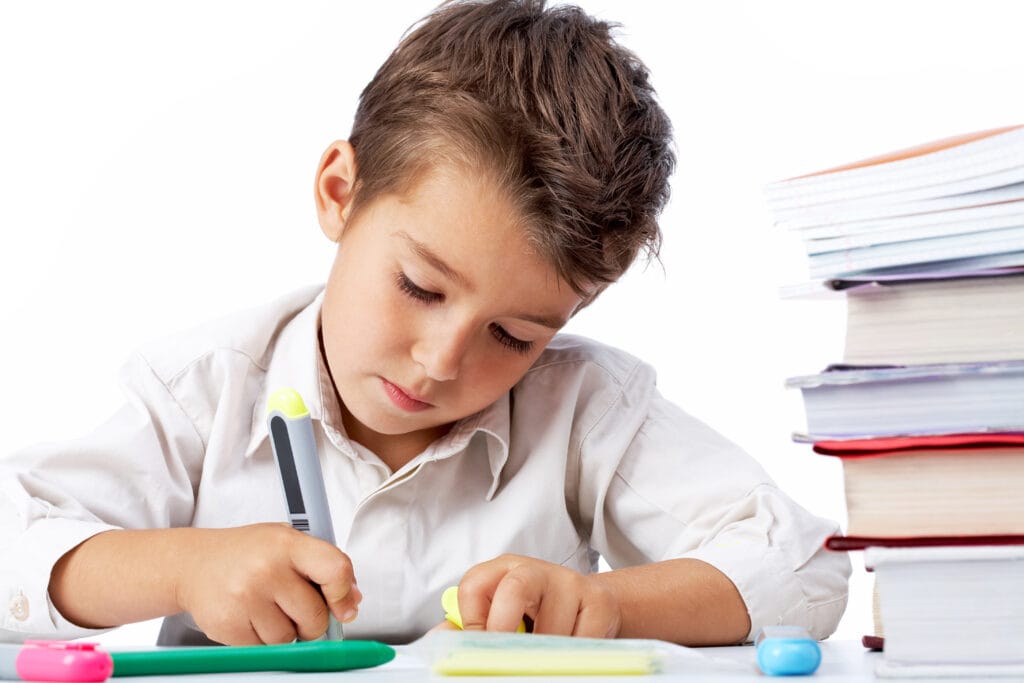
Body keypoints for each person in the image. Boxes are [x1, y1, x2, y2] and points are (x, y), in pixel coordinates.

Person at [0, 0, 849, 647]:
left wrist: (609, 603)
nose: (443, 361)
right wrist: (183, 567)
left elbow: (803, 565)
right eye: (420, 285)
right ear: (340, 191)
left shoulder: (583, 408)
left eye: (515, 336)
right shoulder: (205, 393)